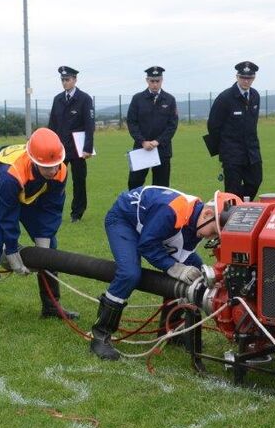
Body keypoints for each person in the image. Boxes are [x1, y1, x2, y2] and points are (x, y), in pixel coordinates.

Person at [90, 186, 225, 361]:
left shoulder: (197, 218)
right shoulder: (171, 211)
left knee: (196, 273)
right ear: (207, 214)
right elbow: (147, 245)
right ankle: (100, 334)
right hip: (124, 220)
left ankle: (171, 330)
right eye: (214, 231)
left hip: (149, 225)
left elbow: (183, 255)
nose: (210, 237)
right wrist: (174, 267)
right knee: (129, 273)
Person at [0, 127, 79, 333]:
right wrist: (11, 250)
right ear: (33, 160)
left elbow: (52, 208)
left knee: (51, 246)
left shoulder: (60, 171)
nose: (52, 171)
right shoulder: (11, 173)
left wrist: (44, 245)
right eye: (46, 167)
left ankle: (51, 306)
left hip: (28, 187)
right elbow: (8, 214)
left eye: (55, 165)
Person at [206, 61, 262, 200]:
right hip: (232, 152)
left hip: (252, 151)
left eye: (249, 78)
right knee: (233, 189)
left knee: (255, 181)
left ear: (253, 78)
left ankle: (240, 205)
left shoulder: (255, 96)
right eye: (243, 77)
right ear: (237, 77)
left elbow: (252, 124)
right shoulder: (225, 98)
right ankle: (232, 214)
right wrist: (224, 148)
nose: (246, 81)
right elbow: (213, 125)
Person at [48, 66, 95, 222]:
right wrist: (51, 145)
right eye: (62, 80)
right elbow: (52, 125)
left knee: (79, 180)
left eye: (67, 79)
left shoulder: (84, 99)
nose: (65, 83)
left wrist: (87, 148)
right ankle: (53, 209)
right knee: (55, 180)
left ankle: (77, 213)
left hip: (77, 148)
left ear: (75, 80)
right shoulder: (58, 99)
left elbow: (89, 125)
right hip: (60, 148)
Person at [126, 66, 178, 189]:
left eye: (157, 81)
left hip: (162, 150)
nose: (155, 84)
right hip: (141, 148)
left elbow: (172, 125)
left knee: (161, 187)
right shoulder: (137, 99)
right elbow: (132, 122)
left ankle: (158, 209)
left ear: (162, 80)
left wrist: (158, 141)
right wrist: (142, 141)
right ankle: (136, 208)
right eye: (152, 81)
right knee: (134, 184)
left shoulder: (170, 99)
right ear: (147, 80)